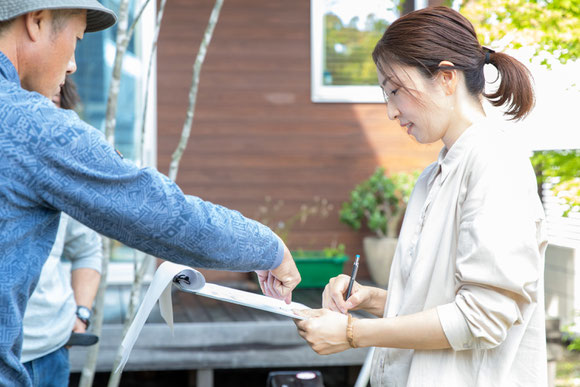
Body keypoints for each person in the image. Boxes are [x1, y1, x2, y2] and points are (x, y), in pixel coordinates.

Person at [0, 1, 300, 385]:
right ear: (37, 21)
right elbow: (165, 216)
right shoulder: (34, 127)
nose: (74, 64)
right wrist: (270, 248)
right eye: (75, 40)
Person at [295, 6, 547, 387]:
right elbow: (442, 304)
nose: (391, 111)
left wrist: (352, 334)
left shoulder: (495, 163)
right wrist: (373, 299)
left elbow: (483, 317)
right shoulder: (435, 175)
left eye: (395, 90)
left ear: (446, 78)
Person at [21, 77, 102, 387]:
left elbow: (87, 249)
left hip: (51, 349)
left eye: (54, 104)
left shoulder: (65, 177)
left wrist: (81, 314)